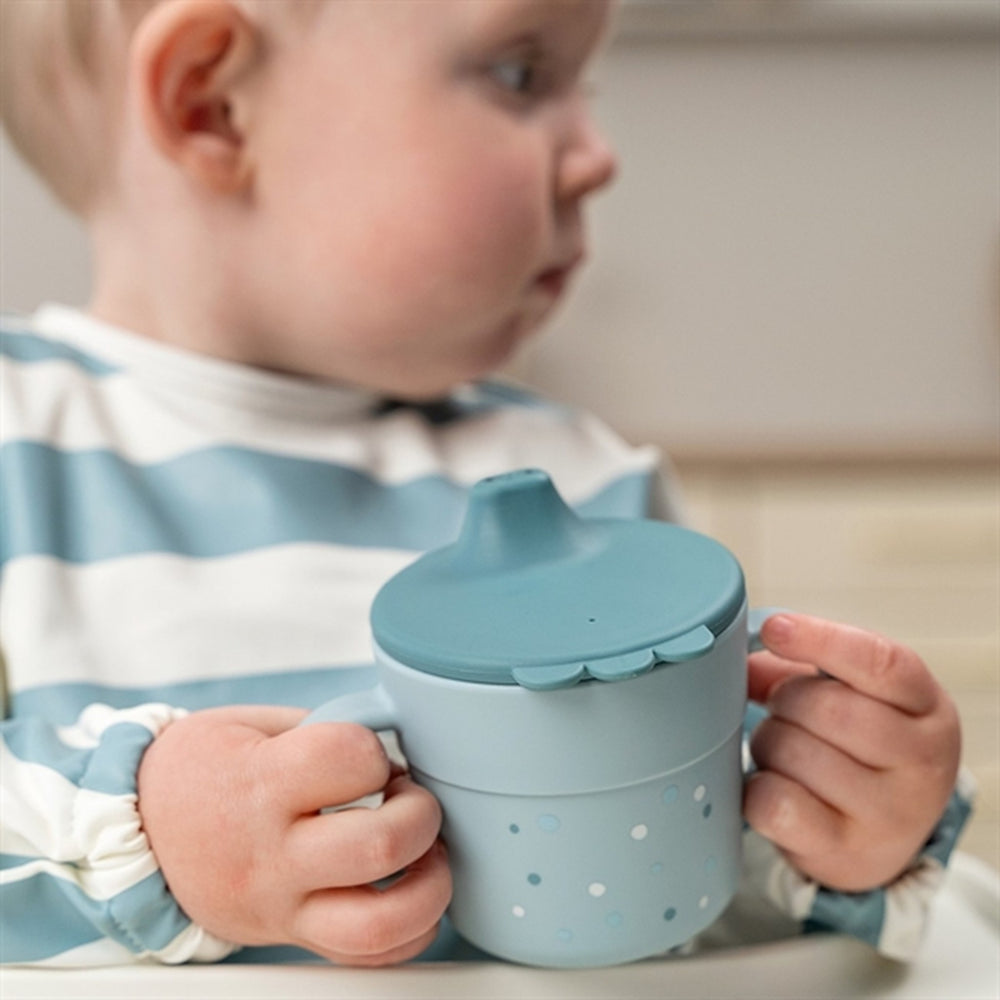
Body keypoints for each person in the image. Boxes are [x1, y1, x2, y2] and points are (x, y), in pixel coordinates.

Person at [0, 0, 973, 970]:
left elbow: (696, 901)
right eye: (519, 75)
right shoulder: (18, 443)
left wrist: (841, 831)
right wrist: (151, 831)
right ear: (213, 104)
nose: (598, 156)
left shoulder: (590, 483)